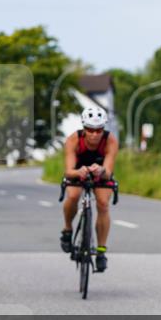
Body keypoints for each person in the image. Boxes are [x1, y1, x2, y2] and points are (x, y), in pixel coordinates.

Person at [60, 106, 118, 272]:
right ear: (84, 128)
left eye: (98, 130)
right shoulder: (73, 139)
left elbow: (108, 172)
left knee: (103, 203)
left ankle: (101, 251)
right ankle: (67, 229)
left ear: (103, 129)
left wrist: (101, 171)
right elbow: (68, 171)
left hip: (100, 171)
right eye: (90, 130)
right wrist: (78, 172)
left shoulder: (110, 140)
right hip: (78, 170)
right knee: (73, 196)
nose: (94, 134)